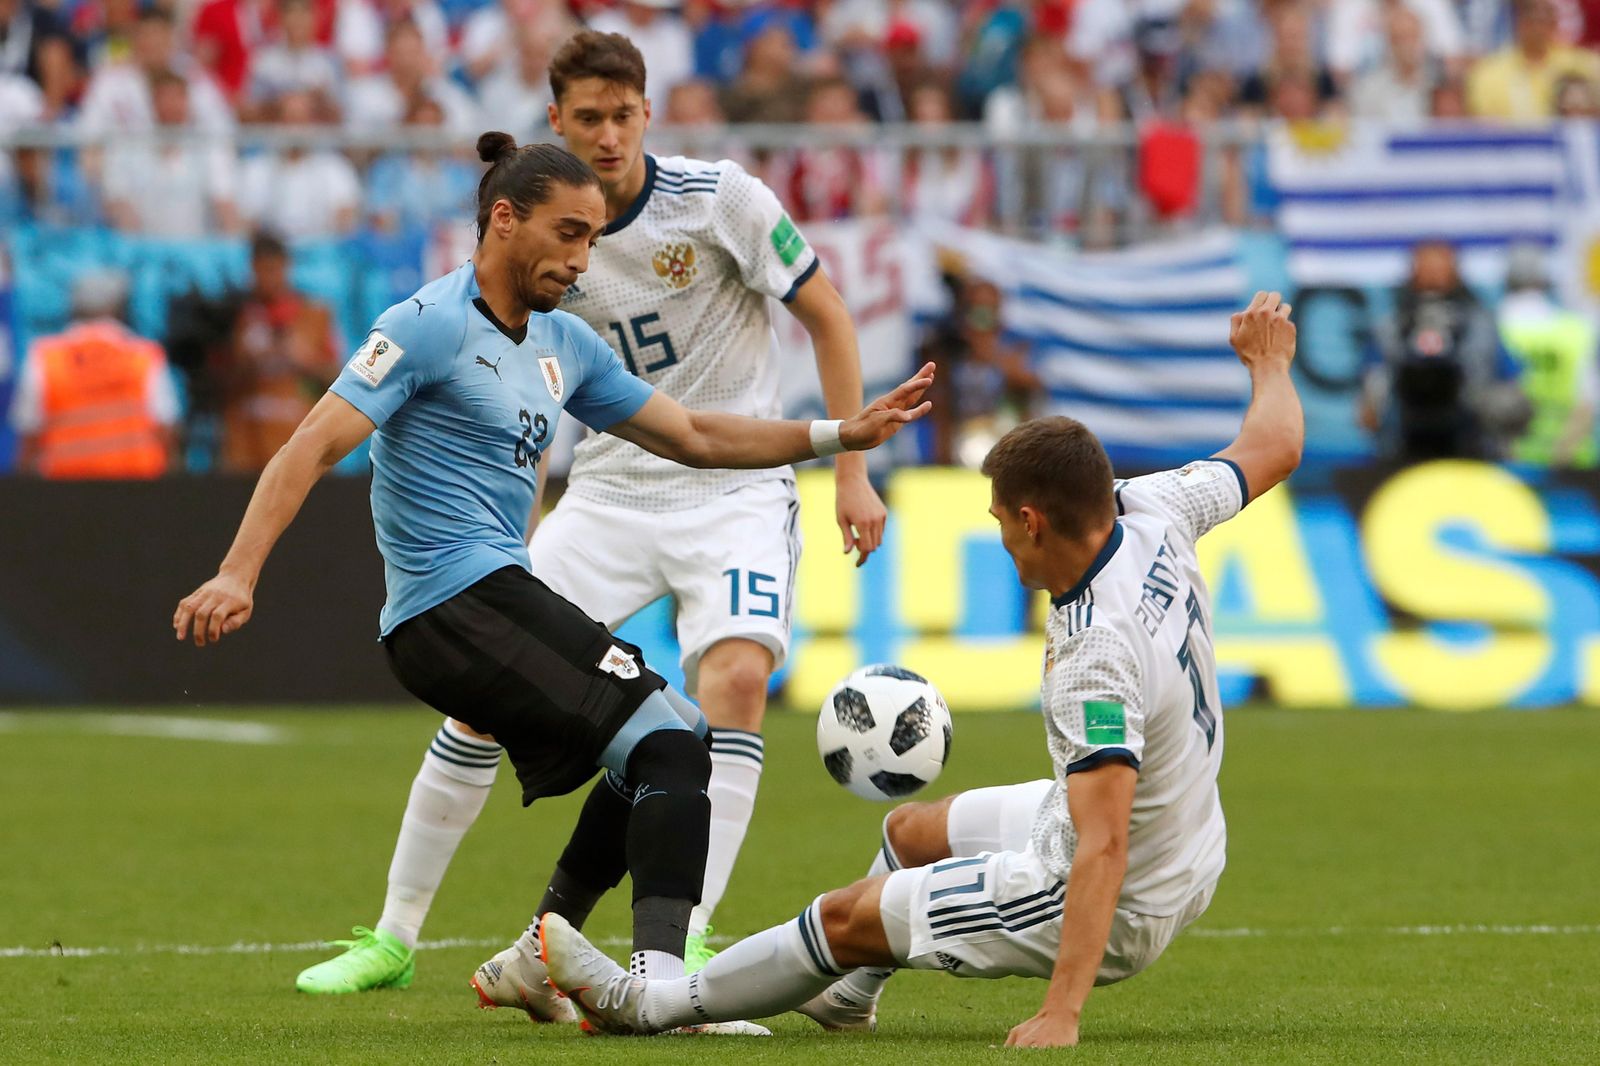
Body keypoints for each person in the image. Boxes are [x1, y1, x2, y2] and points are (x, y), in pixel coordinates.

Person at [173, 133, 928, 1013]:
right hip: (454, 606)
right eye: (567, 235)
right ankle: (663, 991)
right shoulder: (427, 323)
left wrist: (837, 436)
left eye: (592, 241)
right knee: (674, 748)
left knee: (661, 738)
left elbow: (694, 435)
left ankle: (545, 946)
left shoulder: (564, 344)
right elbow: (311, 445)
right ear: (504, 218)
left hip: (492, 597)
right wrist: (237, 573)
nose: (580, 261)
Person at [539, 290, 1303, 1049]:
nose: (1000, 538)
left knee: (840, 918)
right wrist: (1268, 366)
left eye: (1001, 520)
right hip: (1187, 839)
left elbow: (1103, 846)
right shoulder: (1150, 509)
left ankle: (648, 1005)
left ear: (1033, 520)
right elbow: (1273, 448)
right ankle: (846, 999)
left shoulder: (1092, 651)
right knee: (910, 832)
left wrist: (1061, 1013)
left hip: (1112, 892)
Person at [8, 270, 178, 478]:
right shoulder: (144, 355)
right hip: (136, 487)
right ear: (120, 308)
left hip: (65, 491)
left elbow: (29, 432)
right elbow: (166, 426)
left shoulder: (44, 358)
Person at [215, 233, 343, 471]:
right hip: (247, 447)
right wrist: (247, 362)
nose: (266, 279)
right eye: (259, 271)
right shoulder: (236, 315)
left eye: (272, 269)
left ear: (286, 267)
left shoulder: (314, 316)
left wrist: (306, 361)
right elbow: (218, 383)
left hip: (298, 442)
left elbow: (338, 379)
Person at [1497, 243, 1599, 468]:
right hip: (1573, 468)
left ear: (1506, 282)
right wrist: (1559, 458)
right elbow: (1587, 404)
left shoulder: (1496, 327)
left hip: (1512, 463)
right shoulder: (1576, 330)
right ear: (1544, 282)